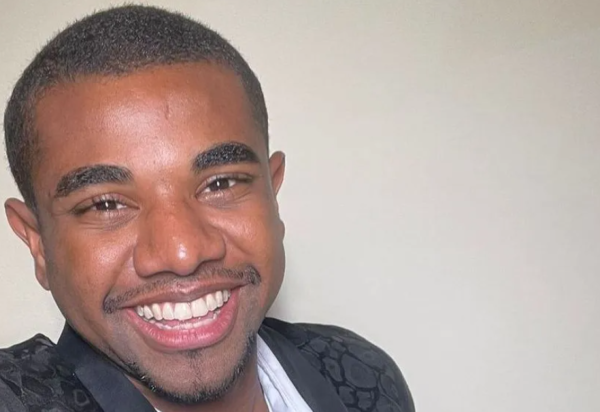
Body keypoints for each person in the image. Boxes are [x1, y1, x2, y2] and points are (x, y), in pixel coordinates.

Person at [0, 5, 414, 412]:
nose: (183, 253)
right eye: (105, 204)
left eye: (221, 184)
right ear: (38, 244)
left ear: (273, 195)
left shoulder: (364, 376)